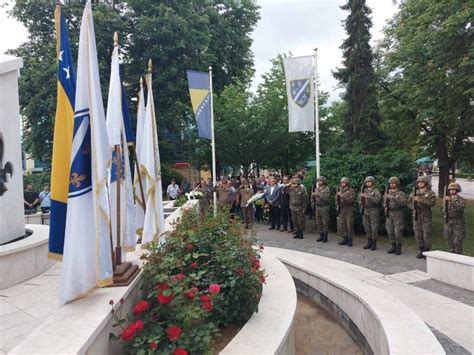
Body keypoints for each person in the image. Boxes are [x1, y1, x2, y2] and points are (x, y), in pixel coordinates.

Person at [408, 176, 436, 259]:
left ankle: (427, 252)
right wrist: (412, 207)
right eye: (419, 182)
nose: (420, 183)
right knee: (418, 235)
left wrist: (420, 200)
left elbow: (432, 204)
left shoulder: (430, 193)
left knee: (426, 235)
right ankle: (421, 250)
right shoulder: (414, 192)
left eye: (422, 182)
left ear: (425, 183)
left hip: (426, 217)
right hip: (416, 216)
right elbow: (408, 202)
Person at [384, 177, 407, 255]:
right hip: (389, 213)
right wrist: (385, 205)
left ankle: (398, 248)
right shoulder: (387, 192)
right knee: (389, 230)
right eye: (390, 183)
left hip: (398, 213)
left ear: (397, 184)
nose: (391, 185)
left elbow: (404, 203)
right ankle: (393, 246)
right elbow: (383, 202)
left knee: (397, 231)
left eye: (393, 183)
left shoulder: (400, 193)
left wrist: (393, 198)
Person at [359, 176, 381, 251]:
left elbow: (377, 200)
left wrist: (368, 196)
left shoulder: (376, 191)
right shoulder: (363, 190)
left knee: (374, 227)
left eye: (369, 182)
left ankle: (374, 244)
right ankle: (369, 242)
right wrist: (361, 202)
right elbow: (358, 199)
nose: (368, 183)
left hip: (373, 210)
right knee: (367, 227)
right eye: (367, 182)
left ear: (372, 182)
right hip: (365, 210)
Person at [443, 183, 465, 254]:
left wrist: (451, 201)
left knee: (457, 240)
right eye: (451, 189)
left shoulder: (461, 200)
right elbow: (444, 209)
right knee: (449, 238)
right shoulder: (446, 199)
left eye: (454, 189)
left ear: (457, 190)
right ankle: (451, 254)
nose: (452, 191)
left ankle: (458, 255)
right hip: (448, 221)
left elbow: (460, 208)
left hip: (458, 223)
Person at [337, 177, 355, 247]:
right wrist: (337, 204)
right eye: (341, 182)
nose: (342, 184)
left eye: (344, 182)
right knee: (342, 224)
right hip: (342, 209)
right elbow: (337, 199)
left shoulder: (351, 191)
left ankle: (350, 240)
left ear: (347, 183)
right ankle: (345, 239)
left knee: (349, 225)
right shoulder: (340, 190)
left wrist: (342, 196)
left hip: (349, 209)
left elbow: (351, 200)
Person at [313, 176, 330, 243]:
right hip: (317, 207)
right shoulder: (316, 189)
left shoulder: (326, 189)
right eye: (318, 181)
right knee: (318, 222)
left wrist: (318, 194)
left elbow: (326, 199)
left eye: (320, 181)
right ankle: (321, 235)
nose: (319, 182)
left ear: (323, 182)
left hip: (324, 207)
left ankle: (325, 237)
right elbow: (313, 198)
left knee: (325, 222)